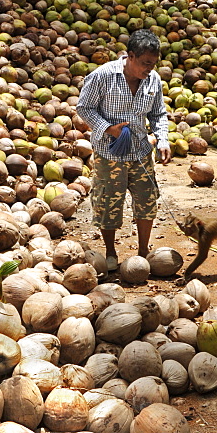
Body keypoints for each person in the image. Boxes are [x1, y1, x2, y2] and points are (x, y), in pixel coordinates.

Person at [76, 30, 171, 271]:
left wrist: (162, 140)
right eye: (145, 63)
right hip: (110, 153)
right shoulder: (103, 76)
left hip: (140, 152)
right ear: (130, 56)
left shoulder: (153, 80)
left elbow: (158, 113)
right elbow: (84, 108)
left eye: (153, 64)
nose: (149, 69)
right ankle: (110, 252)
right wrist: (109, 128)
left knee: (147, 201)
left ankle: (142, 252)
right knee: (108, 202)